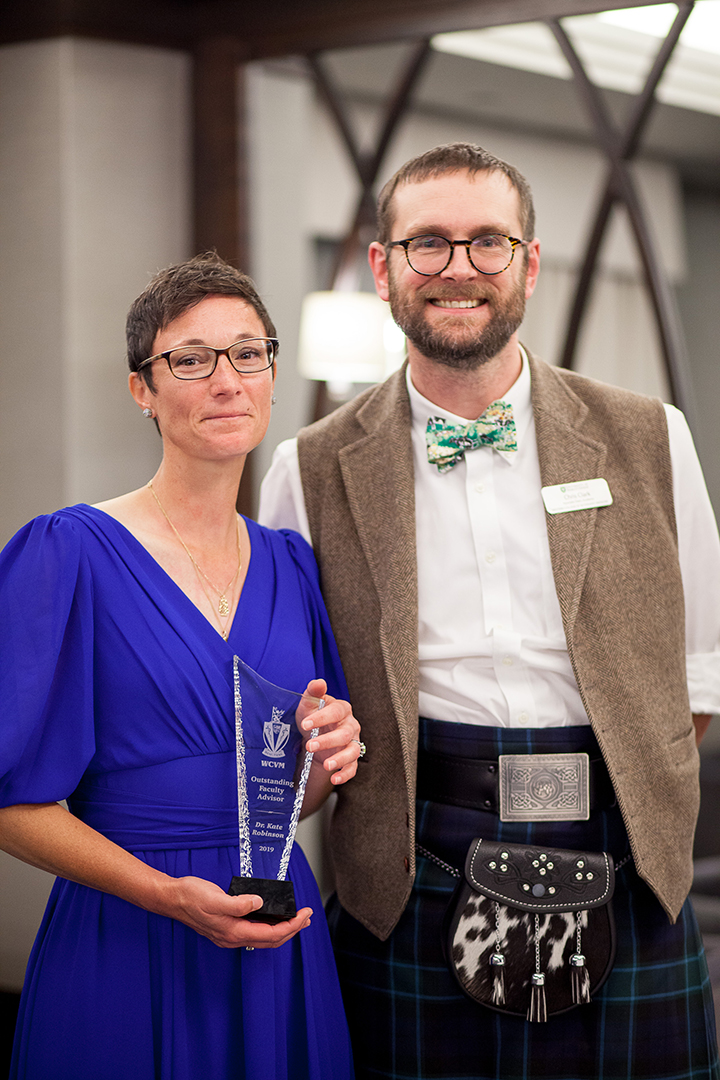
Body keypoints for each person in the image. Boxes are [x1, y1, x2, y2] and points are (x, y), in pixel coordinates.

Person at [259, 143, 720, 1079]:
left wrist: (631, 796)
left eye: (487, 242)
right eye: (427, 243)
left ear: (530, 263)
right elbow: (286, 704)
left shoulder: (649, 436)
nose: (458, 267)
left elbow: (698, 674)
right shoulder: (305, 471)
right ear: (383, 268)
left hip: (625, 860)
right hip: (411, 864)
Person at [0, 253, 361, 1080]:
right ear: (143, 390)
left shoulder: (292, 563)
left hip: (276, 928)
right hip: (127, 934)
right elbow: (9, 801)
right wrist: (165, 895)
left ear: (272, 372)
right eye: (191, 359)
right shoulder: (67, 552)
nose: (227, 380)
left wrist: (330, 761)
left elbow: (285, 796)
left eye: (248, 353)